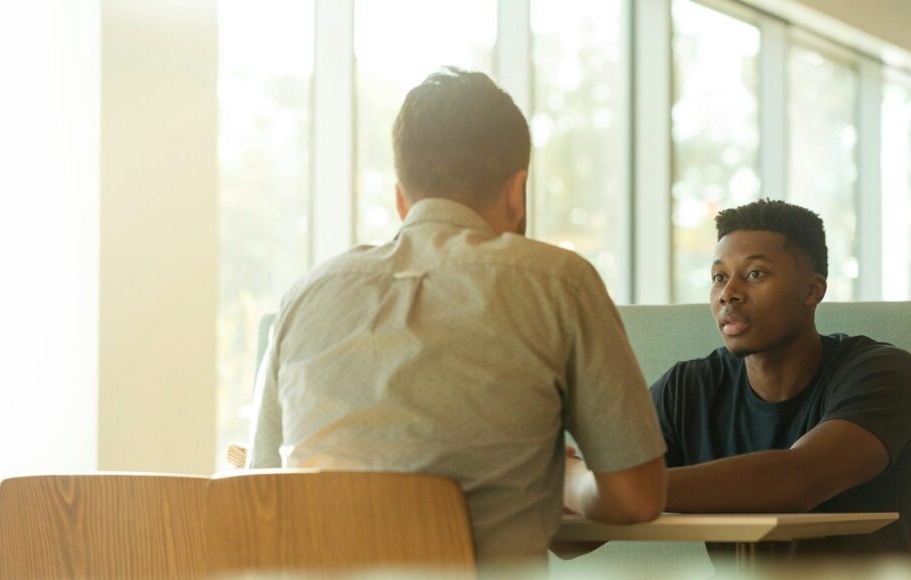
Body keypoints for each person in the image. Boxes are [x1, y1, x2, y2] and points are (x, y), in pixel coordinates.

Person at [246, 67, 667, 568]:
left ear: (402, 198)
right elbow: (636, 498)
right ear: (517, 191)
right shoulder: (559, 282)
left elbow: (259, 491)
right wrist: (569, 479)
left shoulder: (305, 295)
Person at [650, 199, 911, 561]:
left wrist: (616, 488)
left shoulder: (883, 373)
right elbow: (573, 540)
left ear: (813, 290)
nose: (728, 293)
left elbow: (796, 481)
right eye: (719, 277)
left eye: (755, 274)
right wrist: (573, 483)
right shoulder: (687, 389)